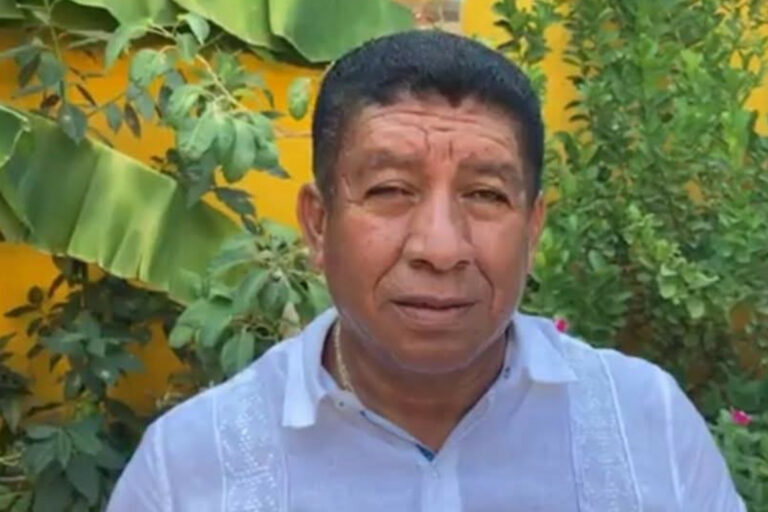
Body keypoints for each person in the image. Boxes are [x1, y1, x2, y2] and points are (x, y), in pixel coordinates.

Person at [108, 30, 744, 511]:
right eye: (390, 190)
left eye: (486, 194)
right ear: (318, 224)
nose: (441, 247)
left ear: (532, 230)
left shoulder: (647, 426)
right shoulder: (188, 470)